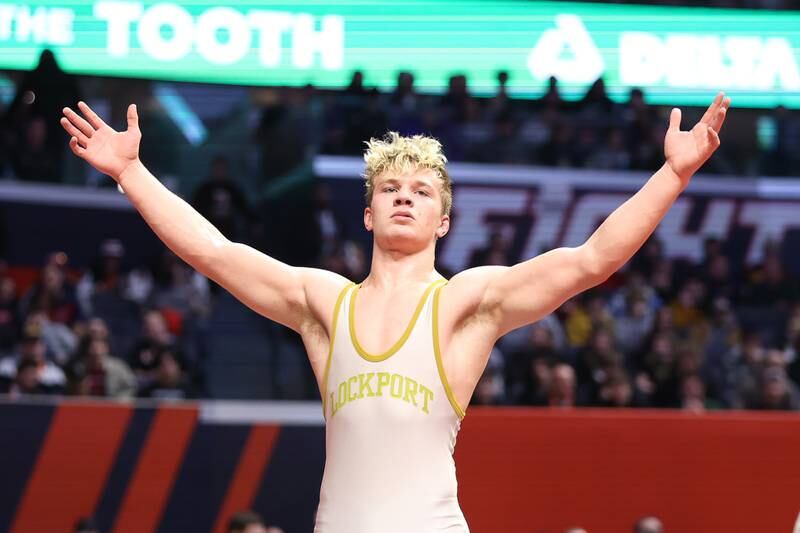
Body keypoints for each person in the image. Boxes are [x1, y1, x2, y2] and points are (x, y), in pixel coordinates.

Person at [60, 92, 730, 532]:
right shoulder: (324, 301)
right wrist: (133, 174)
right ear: (367, 212)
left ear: (443, 219)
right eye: (389, 188)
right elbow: (217, 252)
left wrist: (672, 176)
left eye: (419, 191)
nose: (403, 198)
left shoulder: (466, 301)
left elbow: (589, 259)